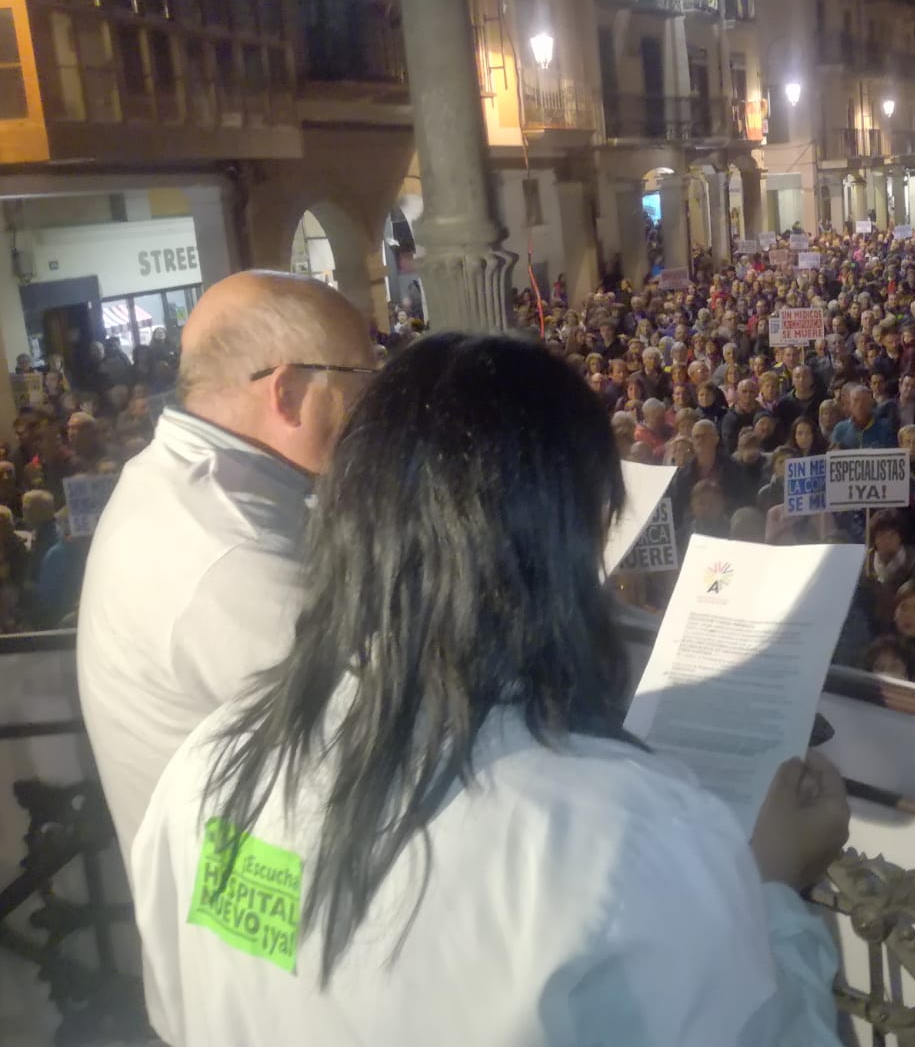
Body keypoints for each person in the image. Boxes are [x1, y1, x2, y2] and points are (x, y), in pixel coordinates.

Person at [132, 334, 849, 1045]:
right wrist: (775, 892)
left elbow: (177, 1015)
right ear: (563, 545)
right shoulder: (634, 834)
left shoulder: (204, 770)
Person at [78, 271, 375, 868]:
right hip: (269, 933)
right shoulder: (228, 551)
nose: (373, 408)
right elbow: (398, 736)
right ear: (287, 393)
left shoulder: (182, 484)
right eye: (362, 381)